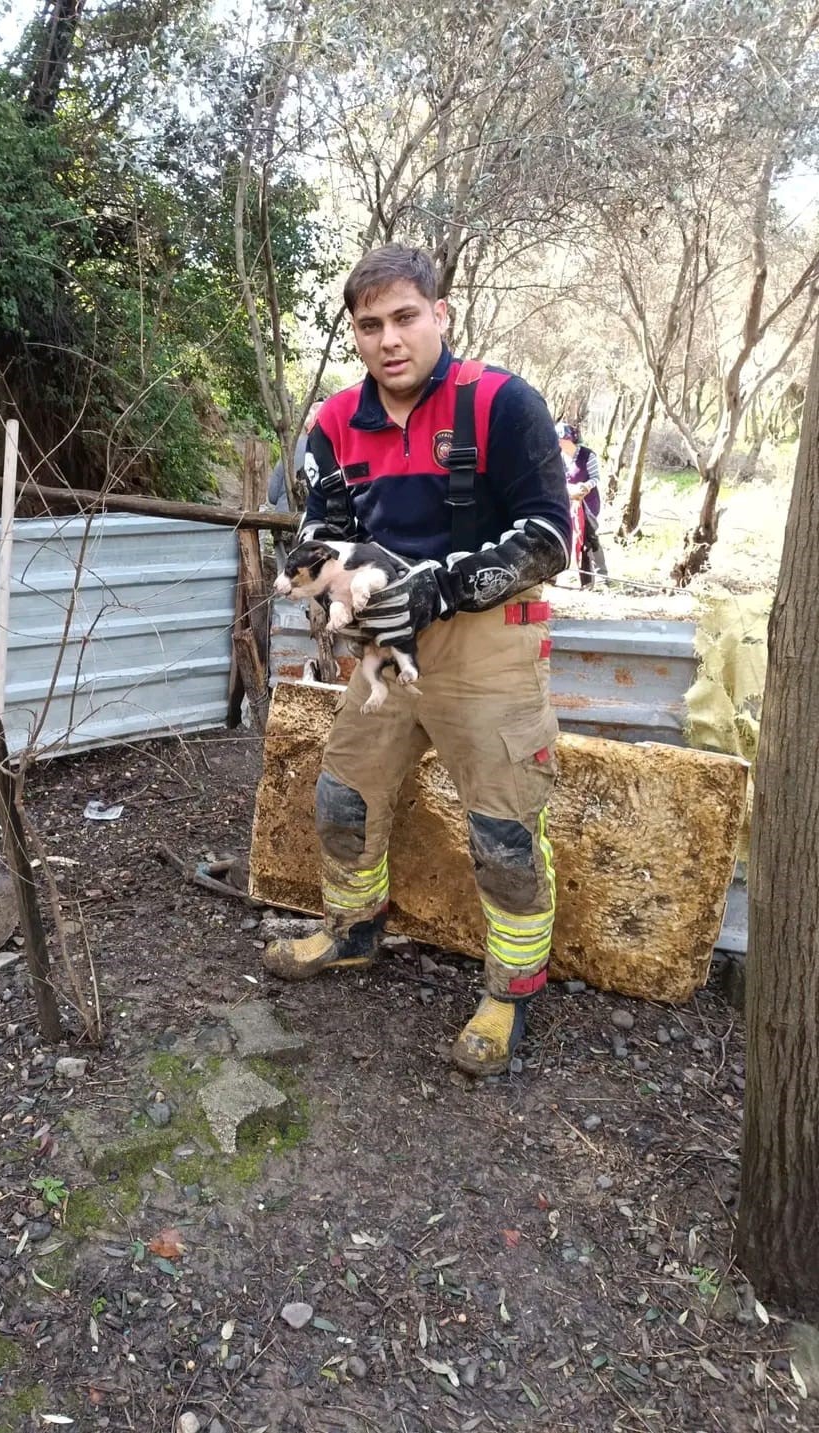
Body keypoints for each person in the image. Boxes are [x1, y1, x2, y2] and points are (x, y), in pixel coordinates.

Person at [262, 244, 571, 1078]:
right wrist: (329, 580)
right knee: (343, 799)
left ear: (441, 314)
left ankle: (511, 990)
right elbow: (318, 529)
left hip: (487, 642)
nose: (389, 339)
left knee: (506, 833)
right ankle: (355, 932)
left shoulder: (504, 405)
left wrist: (438, 586)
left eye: (406, 317)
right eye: (370, 325)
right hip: (382, 651)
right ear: (356, 334)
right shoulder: (332, 424)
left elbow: (550, 537)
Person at [557, 422, 607, 588]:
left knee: (589, 537)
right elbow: (558, 479)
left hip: (587, 502)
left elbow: (595, 478)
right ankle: (575, 577)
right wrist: (568, 489)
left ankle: (601, 577)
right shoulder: (559, 457)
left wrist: (585, 486)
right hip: (569, 501)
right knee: (568, 536)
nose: (559, 443)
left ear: (568, 439)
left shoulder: (587, 455)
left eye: (561, 439)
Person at [266, 400, 325, 512]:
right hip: (312, 521)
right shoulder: (334, 450)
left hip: (281, 518)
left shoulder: (290, 448)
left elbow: (272, 496)